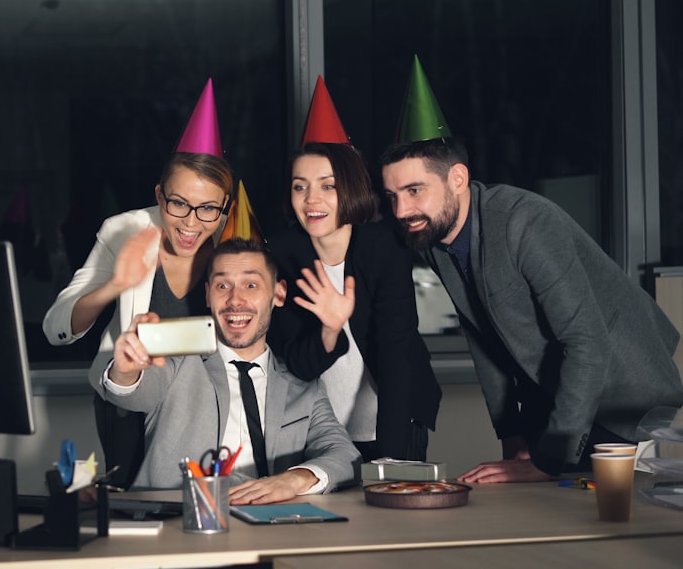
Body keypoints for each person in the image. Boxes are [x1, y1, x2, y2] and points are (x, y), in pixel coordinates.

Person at [378, 56, 683, 482]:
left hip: (624, 392)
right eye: (393, 195)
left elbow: (587, 343)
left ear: (458, 179)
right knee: (533, 504)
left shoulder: (525, 222)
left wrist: (548, 462)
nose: (401, 209)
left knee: (600, 514)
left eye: (414, 190)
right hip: (555, 393)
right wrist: (513, 432)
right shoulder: (433, 238)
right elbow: (484, 340)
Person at [43, 79, 235, 489]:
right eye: (178, 203)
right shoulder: (125, 230)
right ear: (160, 195)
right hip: (127, 400)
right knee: (133, 510)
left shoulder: (237, 242)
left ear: (224, 207)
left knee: (209, 505)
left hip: (210, 400)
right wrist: (116, 285)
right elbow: (56, 326)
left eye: (207, 208)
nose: (191, 222)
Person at [95, 238, 360, 503]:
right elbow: (132, 394)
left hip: (273, 520)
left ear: (278, 294)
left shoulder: (304, 386)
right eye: (223, 286)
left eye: (251, 285)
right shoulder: (176, 365)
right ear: (208, 295)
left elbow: (345, 455)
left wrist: (293, 480)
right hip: (180, 518)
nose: (235, 300)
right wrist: (126, 370)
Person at [268, 77, 441, 463]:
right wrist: (330, 329)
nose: (311, 200)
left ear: (351, 188)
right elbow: (298, 365)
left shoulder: (384, 248)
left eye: (328, 186)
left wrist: (392, 461)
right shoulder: (283, 255)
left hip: (396, 418)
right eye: (300, 187)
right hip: (318, 430)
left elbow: (397, 354)